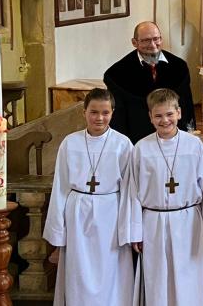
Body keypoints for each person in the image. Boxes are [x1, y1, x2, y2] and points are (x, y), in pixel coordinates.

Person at [125, 88, 203, 306]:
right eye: (158, 115)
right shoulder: (141, 148)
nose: (164, 120)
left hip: (188, 222)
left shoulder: (193, 145)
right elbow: (132, 193)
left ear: (179, 113)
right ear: (150, 117)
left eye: (169, 114)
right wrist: (135, 230)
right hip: (153, 223)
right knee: (158, 277)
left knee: (189, 276)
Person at [43, 88, 133, 305]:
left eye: (105, 112)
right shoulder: (70, 143)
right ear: (84, 112)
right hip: (78, 217)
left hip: (111, 215)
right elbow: (61, 187)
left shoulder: (123, 144)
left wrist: (129, 229)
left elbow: (130, 190)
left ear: (112, 113)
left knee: (111, 271)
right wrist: (58, 232)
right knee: (78, 271)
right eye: (94, 112)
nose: (99, 118)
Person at [104, 21, 195, 143]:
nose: (152, 45)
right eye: (146, 40)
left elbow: (186, 104)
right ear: (134, 42)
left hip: (174, 138)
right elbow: (118, 117)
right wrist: (123, 145)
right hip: (138, 140)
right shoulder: (116, 74)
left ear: (161, 39)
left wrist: (189, 133)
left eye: (156, 39)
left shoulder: (179, 67)